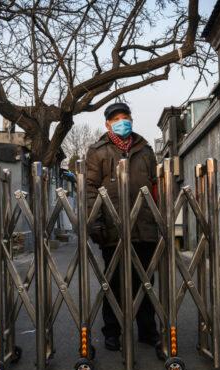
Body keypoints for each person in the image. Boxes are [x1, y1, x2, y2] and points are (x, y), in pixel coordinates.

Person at [86, 102, 160, 352]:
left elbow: (156, 188)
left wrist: (159, 220)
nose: (122, 122)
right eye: (116, 118)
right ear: (107, 124)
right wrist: (93, 223)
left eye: (125, 117)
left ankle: (148, 331)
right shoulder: (98, 152)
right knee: (114, 283)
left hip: (145, 227)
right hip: (112, 227)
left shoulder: (146, 150)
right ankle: (112, 332)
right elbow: (89, 190)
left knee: (146, 282)